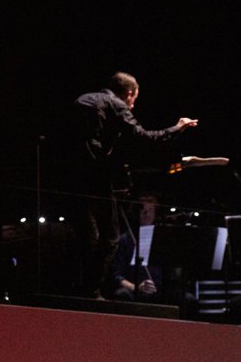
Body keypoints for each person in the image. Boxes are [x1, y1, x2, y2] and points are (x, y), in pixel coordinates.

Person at [73, 72, 197, 299]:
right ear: (129, 93)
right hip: (94, 177)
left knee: (88, 237)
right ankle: (90, 293)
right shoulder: (117, 104)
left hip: (69, 175)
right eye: (134, 99)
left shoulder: (83, 99)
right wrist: (177, 128)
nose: (132, 105)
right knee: (109, 238)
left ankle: (82, 290)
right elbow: (144, 138)